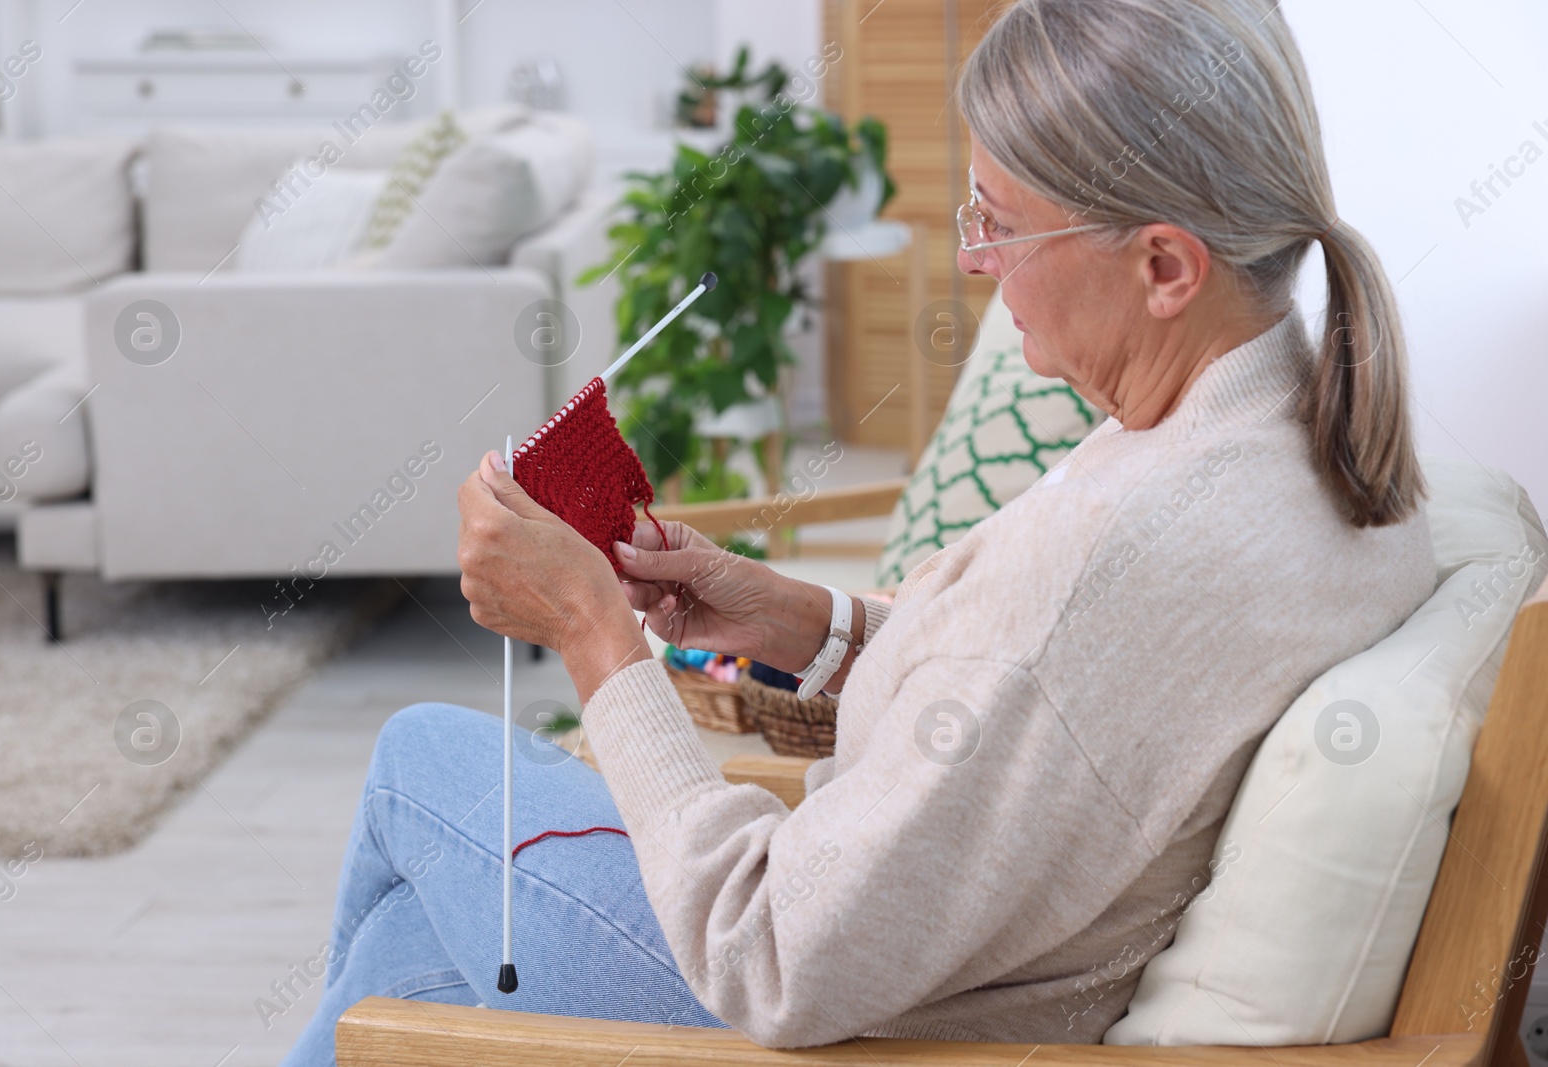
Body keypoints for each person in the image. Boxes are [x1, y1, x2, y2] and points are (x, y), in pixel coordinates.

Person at [281, 0, 1436, 1060]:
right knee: (404, 957)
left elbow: (768, 951)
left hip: (850, 1007)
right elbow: (1023, 716)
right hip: (923, 951)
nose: (976, 262)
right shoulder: (1288, 440)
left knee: (422, 759)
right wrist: (804, 619)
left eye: (1000, 224)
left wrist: (593, 633)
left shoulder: (1119, 549)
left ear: (1165, 265)